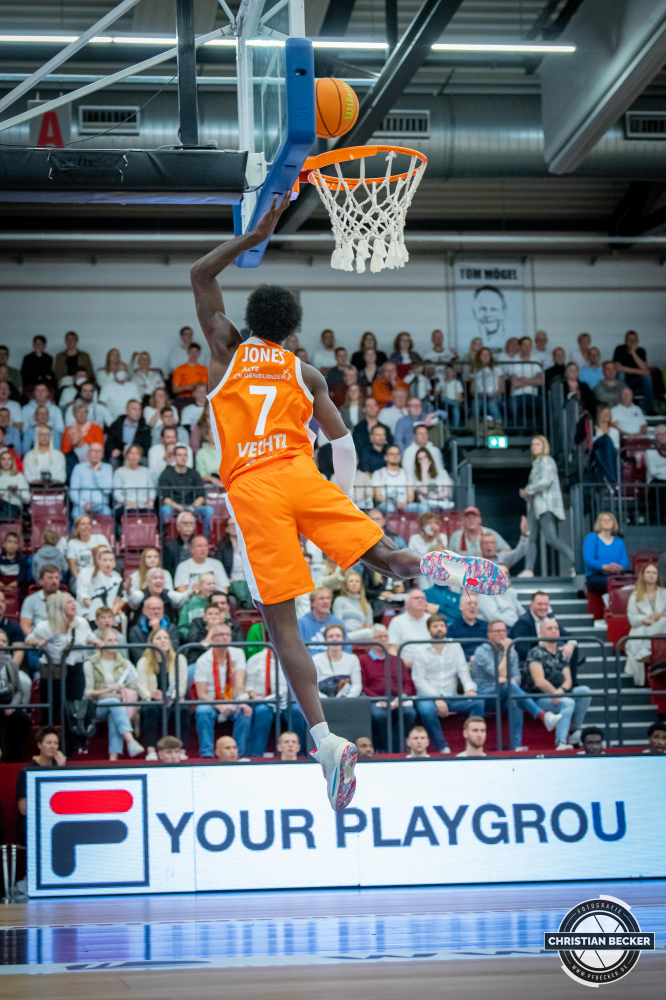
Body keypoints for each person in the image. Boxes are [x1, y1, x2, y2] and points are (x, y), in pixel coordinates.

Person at [190, 193, 506, 810]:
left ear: (250, 322)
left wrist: (254, 235)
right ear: (291, 332)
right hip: (303, 475)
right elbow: (342, 443)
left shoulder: (226, 350)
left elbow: (201, 275)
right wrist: (343, 501)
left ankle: (326, 741)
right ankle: (441, 563)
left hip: (253, 488)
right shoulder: (304, 373)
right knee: (388, 560)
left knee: (282, 625)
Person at [471, 619, 561, 751]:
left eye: (503, 631)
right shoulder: (481, 651)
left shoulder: (513, 652)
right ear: (489, 634)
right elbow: (498, 673)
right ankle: (542, 715)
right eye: (497, 631)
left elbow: (516, 678)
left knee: (515, 700)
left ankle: (516, 746)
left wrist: (510, 682)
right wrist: (506, 654)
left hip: (505, 693)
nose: (501, 634)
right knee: (509, 687)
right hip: (485, 694)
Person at [26, 591, 102, 726]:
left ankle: (72, 738)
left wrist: (96, 641)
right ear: (59, 607)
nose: (74, 605)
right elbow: (28, 640)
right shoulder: (45, 626)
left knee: (74, 709)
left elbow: (90, 637)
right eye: (69, 602)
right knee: (51, 710)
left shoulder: (81, 623)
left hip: (75, 669)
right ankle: (49, 735)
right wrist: (37, 642)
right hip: (53, 670)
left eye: (73, 602)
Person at [411, 615, 484, 754]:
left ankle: (471, 742)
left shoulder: (455, 646)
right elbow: (419, 680)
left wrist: (469, 689)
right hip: (428, 698)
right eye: (435, 626)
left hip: (452, 697)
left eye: (442, 625)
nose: (439, 629)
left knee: (478, 702)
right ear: (429, 630)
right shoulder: (420, 650)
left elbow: (463, 671)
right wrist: (436, 698)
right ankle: (443, 747)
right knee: (426, 710)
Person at [525, 618, 592, 749]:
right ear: (541, 633)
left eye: (556, 628)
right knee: (568, 702)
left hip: (559, 693)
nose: (554, 631)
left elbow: (568, 679)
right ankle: (561, 742)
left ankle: (574, 730)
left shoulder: (561, 653)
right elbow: (539, 681)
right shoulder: (535, 652)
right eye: (549, 628)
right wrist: (554, 693)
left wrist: (561, 691)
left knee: (584, 691)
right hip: (540, 696)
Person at [193, 622, 251, 757]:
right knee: (203, 710)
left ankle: (238, 753)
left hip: (234, 699)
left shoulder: (238, 654)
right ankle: (207, 753)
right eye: (221, 635)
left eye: (228, 635)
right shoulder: (203, 660)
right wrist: (219, 705)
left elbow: (240, 684)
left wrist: (241, 701)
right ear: (213, 638)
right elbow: (201, 694)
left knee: (246, 711)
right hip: (212, 701)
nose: (225, 638)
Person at [519, 435, 575, 577]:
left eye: (538, 444)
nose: (534, 447)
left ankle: (576, 564)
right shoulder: (537, 463)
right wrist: (527, 493)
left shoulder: (547, 460)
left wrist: (528, 490)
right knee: (530, 538)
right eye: (533, 444)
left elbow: (545, 482)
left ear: (544, 446)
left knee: (552, 538)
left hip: (545, 505)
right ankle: (528, 569)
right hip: (535, 505)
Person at [83, 629, 143, 759]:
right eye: (110, 640)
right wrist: (108, 690)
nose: (114, 643)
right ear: (101, 643)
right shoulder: (90, 663)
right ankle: (130, 740)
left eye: (116, 640)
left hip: (119, 704)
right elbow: (87, 693)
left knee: (114, 710)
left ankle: (113, 757)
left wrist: (123, 691)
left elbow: (134, 687)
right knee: (114, 703)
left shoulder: (125, 663)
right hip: (96, 705)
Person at [358, 622, 417, 752]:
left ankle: (395, 747)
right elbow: (362, 686)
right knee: (379, 715)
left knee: (410, 713)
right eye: (379, 637)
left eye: (385, 636)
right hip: (375, 699)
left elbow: (407, 683)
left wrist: (401, 697)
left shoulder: (397, 660)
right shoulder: (362, 660)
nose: (383, 640)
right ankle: (385, 747)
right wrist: (379, 700)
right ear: (371, 640)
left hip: (396, 698)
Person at [136, 627, 189, 760]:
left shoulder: (179, 659)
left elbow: (182, 686)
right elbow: (141, 688)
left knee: (183, 710)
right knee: (150, 710)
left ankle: (181, 750)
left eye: (166, 638)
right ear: (151, 642)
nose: (163, 641)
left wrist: (169, 697)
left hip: (174, 698)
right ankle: (151, 750)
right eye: (159, 638)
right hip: (152, 700)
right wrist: (152, 696)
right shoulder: (143, 662)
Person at [245, 648, 307, 757]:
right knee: (262, 712)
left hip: (288, 700)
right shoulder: (256, 659)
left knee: (297, 712)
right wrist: (256, 697)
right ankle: (255, 755)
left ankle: (301, 755)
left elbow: (302, 683)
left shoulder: (294, 658)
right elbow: (249, 687)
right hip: (264, 700)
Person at [15, 726, 66, 847]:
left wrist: (62, 771)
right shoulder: (26, 772)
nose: (53, 746)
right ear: (39, 745)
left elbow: (65, 802)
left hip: (55, 823)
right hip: (33, 826)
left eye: (56, 743)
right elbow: (23, 809)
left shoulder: (60, 769)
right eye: (49, 742)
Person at [158, 444, 216, 535]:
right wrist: (179, 508)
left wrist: (192, 507)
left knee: (209, 510)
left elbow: (201, 496)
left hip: (192, 506)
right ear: (174, 457)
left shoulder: (194, 474)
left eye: (185, 455)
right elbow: (165, 498)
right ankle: (167, 538)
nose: (183, 458)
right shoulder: (166, 473)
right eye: (179, 455)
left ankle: (205, 539)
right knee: (165, 510)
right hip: (174, 507)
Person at [624, 563, 666, 686]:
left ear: (657, 576)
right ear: (643, 575)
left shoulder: (664, 593)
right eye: (648, 572)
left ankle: (645, 649)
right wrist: (647, 619)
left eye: (654, 573)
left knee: (663, 621)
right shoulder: (635, 596)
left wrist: (659, 616)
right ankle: (645, 649)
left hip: (662, 627)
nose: (651, 575)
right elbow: (632, 619)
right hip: (641, 628)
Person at [0, 629, 32, 762]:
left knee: (23, 720)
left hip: (8, 701)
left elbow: (18, 690)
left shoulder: (12, 664)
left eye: (4, 641)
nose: (1, 644)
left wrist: (12, 706)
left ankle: (14, 758)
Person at [77, 546, 125, 627]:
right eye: (105, 560)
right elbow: (96, 568)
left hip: (110, 616)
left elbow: (119, 598)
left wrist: (112, 613)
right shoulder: (93, 574)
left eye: (110, 560)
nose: (108, 563)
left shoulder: (117, 578)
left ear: (114, 563)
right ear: (98, 561)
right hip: (95, 615)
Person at [583, 512, 629, 593]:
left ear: (614, 523)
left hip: (616, 575)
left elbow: (624, 560)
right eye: (604, 520)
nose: (607, 522)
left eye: (609, 520)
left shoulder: (619, 542)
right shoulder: (592, 538)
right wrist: (604, 567)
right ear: (599, 523)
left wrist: (619, 567)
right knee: (612, 583)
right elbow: (588, 559)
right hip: (596, 575)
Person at [312, 624, 362, 697]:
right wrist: (329, 701)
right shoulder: (316, 659)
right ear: (325, 640)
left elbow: (357, 685)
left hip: (349, 700)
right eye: (331, 636)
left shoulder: (353, 659)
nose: (334, 639)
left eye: (338, 636)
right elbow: (314, 687)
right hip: (323, 701)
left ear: (343, 639)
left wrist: (347, 699)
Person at [613, 329, 655, 414]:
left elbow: (646, 371)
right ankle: (621, 407)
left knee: (646, 377)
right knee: (621, 374)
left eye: (634, 340)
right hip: (623, 382)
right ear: (625, 341)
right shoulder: (620, 349)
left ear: (638, 341)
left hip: (637, 382)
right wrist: (639, 371)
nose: (632, 342)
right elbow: (617, 367)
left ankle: (650, 409)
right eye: (630, 339)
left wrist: (633, 353)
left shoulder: (641, 351)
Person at [128, 595, 180, 662]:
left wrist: (157, 629)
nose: (156, 611)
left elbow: (174, 651)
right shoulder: (135, 631)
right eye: (153, 609)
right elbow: (138, 656)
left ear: (163, 610)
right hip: (147, 665)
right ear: (144, 610)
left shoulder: (172, 628)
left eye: (159, 608)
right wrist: (155, 631)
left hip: (168, 664)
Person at [69, 441, 113, 518]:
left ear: (102, 454)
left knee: (107, 513)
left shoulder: (107, 468)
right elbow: (73, 491)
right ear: (88, 453)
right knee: (76, 515)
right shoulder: (79, 468)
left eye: (99, 451)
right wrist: (83, 504)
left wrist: (97, 473)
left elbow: (107, 490)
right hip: (82, 505)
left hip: (101, 505)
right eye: (93, 451)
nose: (96, 453)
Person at [66, 512, 112, 584]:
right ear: (77, 528)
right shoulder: (72, 543)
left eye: (88, 524)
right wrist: (82, 581)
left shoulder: (100, 538)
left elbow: (110, 559)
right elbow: (73, 566)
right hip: (80, 578)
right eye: (83, 524)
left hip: (100, 577)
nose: (86, 526)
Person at [387, 589, 432, 662]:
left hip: (431, 663)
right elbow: (392, 649)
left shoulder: (432, 620)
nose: (420, 600)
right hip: (405, 665)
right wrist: (405, 663)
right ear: (407, 603)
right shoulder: (397, 621)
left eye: (423, 598)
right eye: (416, 598)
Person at [297, 588, 346, 656]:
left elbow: (347, 647)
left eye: (328, 598)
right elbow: (300, 649)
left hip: (335, 660)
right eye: (321, 598)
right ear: (312, 603)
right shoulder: (301, 623)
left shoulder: (338, 623)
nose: (325, 601)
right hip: (310, 661)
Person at [104, 399, 151, 466]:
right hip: (119, 455)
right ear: (127, 411)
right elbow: (110, 442)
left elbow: (146, 447)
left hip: (136, 455)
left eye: (139, 409)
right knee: (113, 460)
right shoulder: (116, 424)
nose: (137, 412)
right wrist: (114, 450)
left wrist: (133, 453)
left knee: (145, 461)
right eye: (134, 409)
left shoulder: (145, 427)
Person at [112, 443, 155, 516]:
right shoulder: (119, 472)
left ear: (140, 457)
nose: (134, 456)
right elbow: (117, 493)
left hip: (144, 506)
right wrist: (129, 504)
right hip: (125, 507)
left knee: (153, 514)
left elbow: (151, 491)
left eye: (137, 453)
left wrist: (149, 502)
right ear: (126, 456)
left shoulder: (146, 471)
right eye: (131, 453)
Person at [509, 336, 544, 425]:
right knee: (512, 407)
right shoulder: (514, 361)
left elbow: (540, 381)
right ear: (520, 346)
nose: (527, 347)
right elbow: (514, 383)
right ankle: (520, 429)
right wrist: (532, 380)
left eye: (529, 345)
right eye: (524, 345)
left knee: (545, 404)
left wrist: (522, 379)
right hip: (517, 395)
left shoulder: (536, 361)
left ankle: (536, 429)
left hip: (533, 395)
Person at [371, 444, 415, 511]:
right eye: (392, 454)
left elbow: (411, 497)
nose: (395, 456)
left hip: (405, 505)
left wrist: (403, 504)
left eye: (397, 454)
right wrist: (395, 503)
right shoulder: (378, 473)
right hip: (386, 504)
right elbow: (378, 496)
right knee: (390, 508)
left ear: (401, 457)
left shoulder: (407, 474)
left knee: (423, 507)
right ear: (386, 457)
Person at [20, 565, 62, 633]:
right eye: (50, 578)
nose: (54, 581)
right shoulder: (30, 600)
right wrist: (36, 638)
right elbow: (24, 627)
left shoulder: (68, 599)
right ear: (41, 581)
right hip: (38, 637)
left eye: (57, 577)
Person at [332, 571, 374, 639]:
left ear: (361, 585)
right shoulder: (339, 600)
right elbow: (337, 622)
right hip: (344, 634)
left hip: (361, 634)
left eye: (357, 581)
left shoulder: (366, 605)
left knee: (372, 631)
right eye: (351, 581)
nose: (354, 583)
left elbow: (369, 625)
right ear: (346, 585)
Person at [447, 594, 489, 660]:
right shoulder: (453, 628)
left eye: (475, 604)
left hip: (485, 661)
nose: (473, 606)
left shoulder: (486, 626)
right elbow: (451, 651)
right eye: (469, 603)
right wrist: (468, 658)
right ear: (461, 607)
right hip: (462, 661)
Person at [177, 572, 219, 636]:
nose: (212, 586)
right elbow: (182, 627)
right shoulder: (189, 602)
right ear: (200, 586)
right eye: (209, 584)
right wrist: (192, 637)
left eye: (214, 583)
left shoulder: (219, 602)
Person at [470, 347, 504, 425]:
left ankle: (498, 424)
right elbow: (472, 389)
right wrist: (478, 393)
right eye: (483, 355)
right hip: (480, 395)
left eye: (488, 355)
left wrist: (494, 393)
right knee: (477, 402)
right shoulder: (475, 370)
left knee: (491, 403)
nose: (486, 357)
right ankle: (474, 425)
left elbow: (501, 387)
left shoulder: (497, 369)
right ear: (479, 357)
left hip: (495, 395)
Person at [162, 510, 197, 578]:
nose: (188, 526)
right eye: (185, 523)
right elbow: (167, 570)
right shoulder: (169, 546)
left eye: (191, 523)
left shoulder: (200, 544)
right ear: (178, 526)